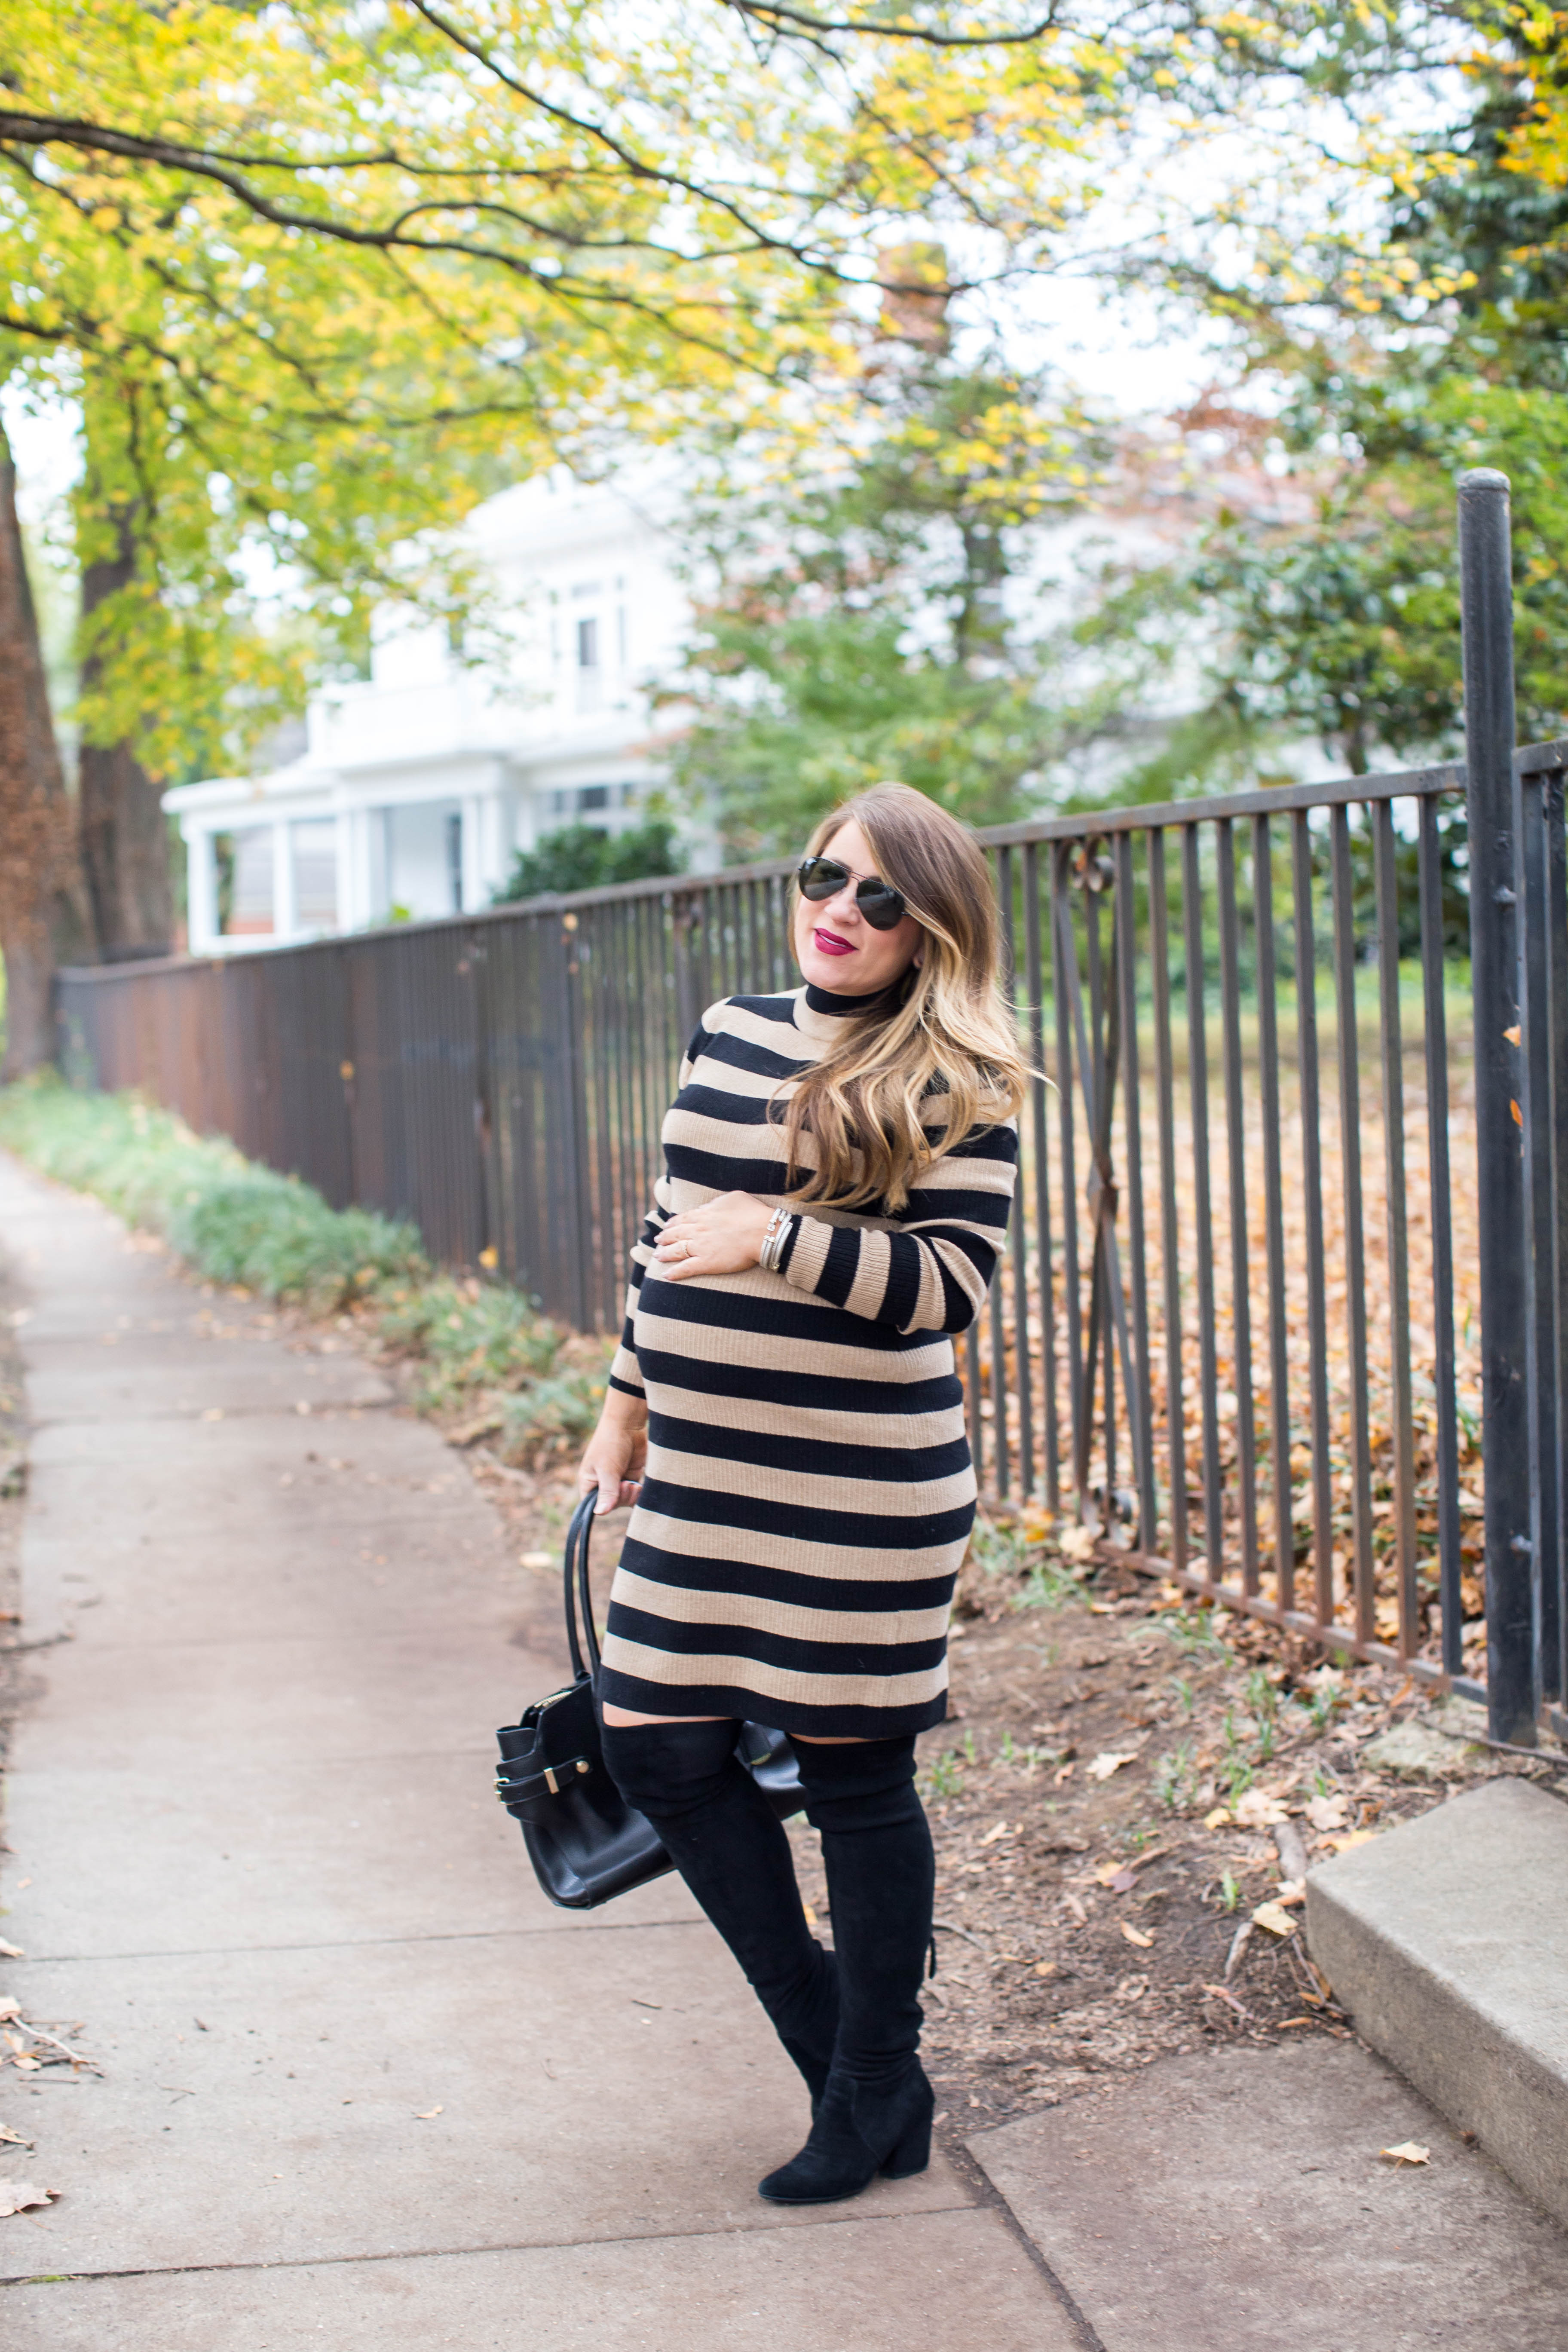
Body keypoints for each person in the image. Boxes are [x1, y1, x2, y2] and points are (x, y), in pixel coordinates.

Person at [576, 780, 1024, 2204]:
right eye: (825, 878)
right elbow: (667, 1233)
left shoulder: (965, 1081)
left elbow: (947, 1292)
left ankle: (867, 2081)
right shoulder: (731, 1031)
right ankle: (852, 2055)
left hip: (859, 1492)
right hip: (705, 1477)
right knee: (653, 1746)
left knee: (852, 1778)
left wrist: (780, 1235)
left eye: (882, 897)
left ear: (932, 929)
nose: (841, 912)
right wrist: (627, 1399)